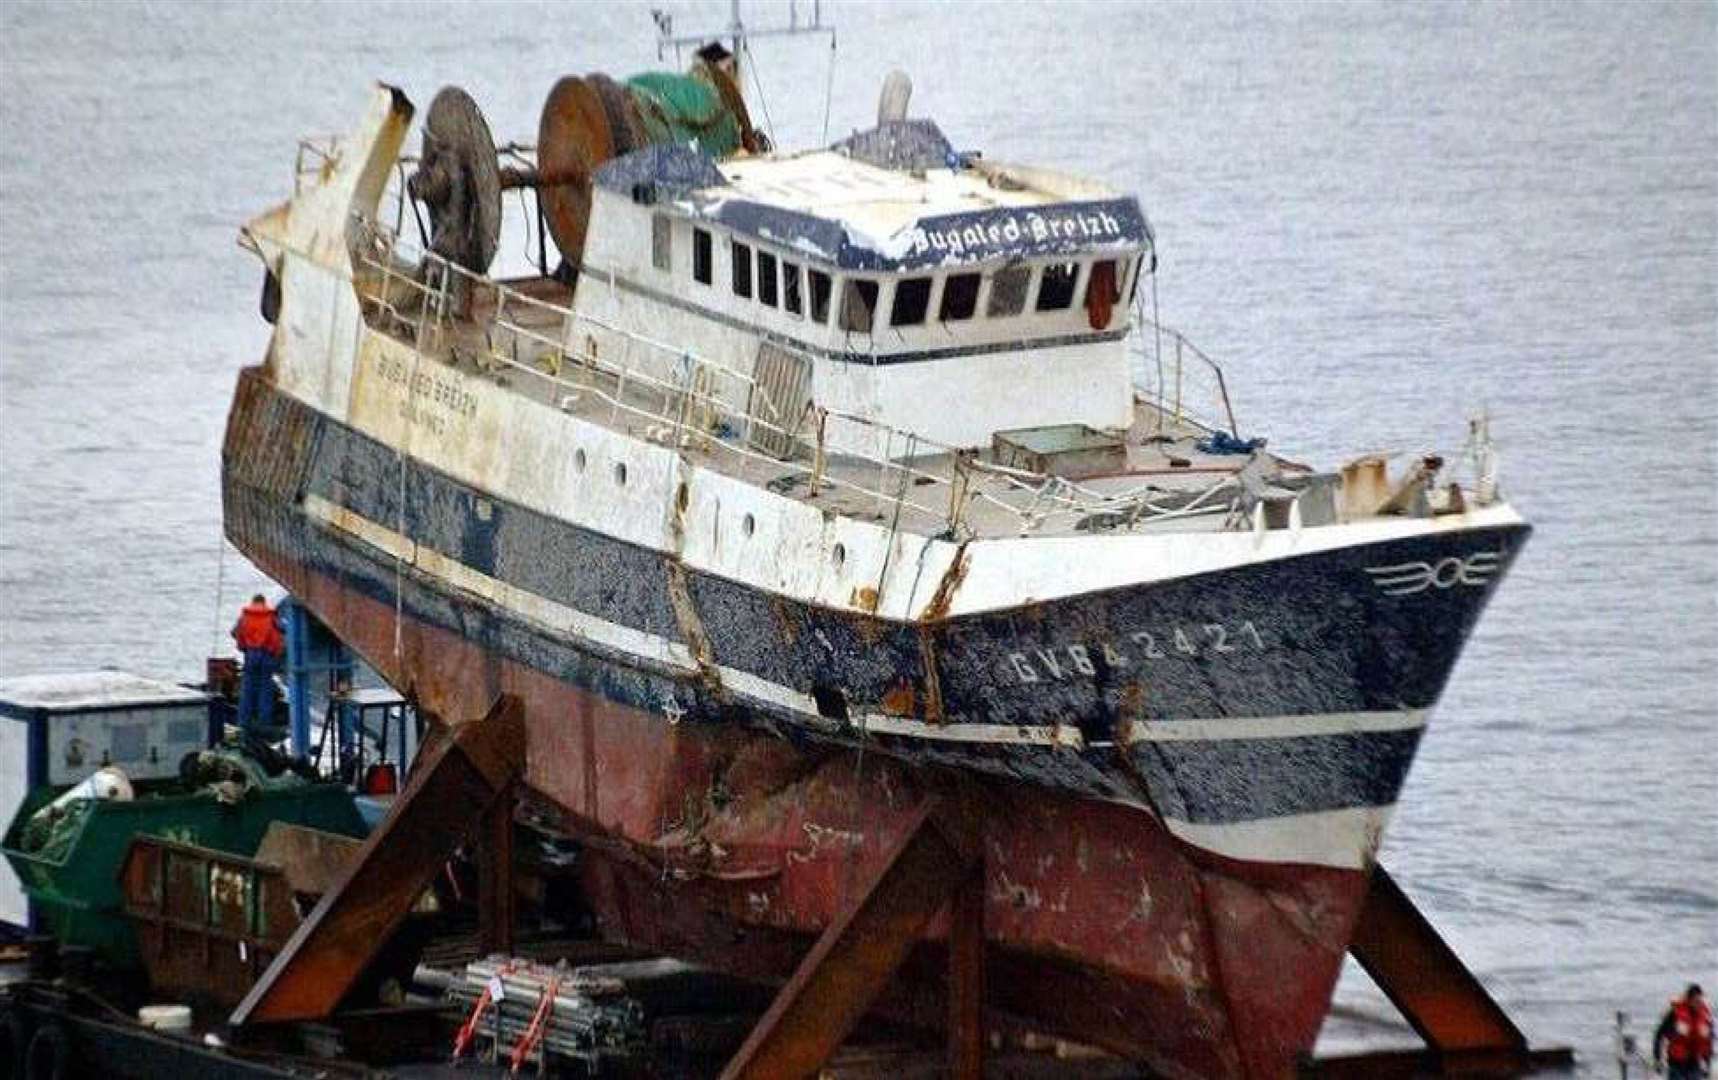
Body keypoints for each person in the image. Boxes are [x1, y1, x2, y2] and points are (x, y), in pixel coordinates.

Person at [231, 593, 285, 731]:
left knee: (247, 688)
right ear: (264, 602)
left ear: (253, 602)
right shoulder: (271, 616)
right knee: (265, 688)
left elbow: (235, 632)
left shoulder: (245, 616)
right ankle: (264, 723)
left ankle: (243, 722)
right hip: (267, 654)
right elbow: (282, 630)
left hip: (251, 653)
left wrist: (243, 647)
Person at [1655, 984, 1713, 1079]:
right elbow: (1660, 1034)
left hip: (1694, 1062)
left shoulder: (1705, 1016)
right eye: (1695, 1000)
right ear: (1689, 999)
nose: (1698, 1003)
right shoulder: (1674, 1013)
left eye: (1700, 1000)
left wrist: (1708, 1064)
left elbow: (1709, 1041)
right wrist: (1658, 1058)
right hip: (1676, 1063)